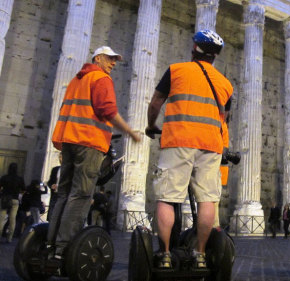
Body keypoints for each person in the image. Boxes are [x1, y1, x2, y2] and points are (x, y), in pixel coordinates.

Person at [145, 30, 232, 269]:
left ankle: (164, 255)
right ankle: (200, 254)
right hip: (211, 146)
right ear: (215, 56)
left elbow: (155, 104)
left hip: (178, 141)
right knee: (207, 200)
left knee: (167, 197)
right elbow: (224, 119)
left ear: (195, 48)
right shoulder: (225, 84)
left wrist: (152, 125)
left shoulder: (176, 71)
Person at [47, 46, 141, 260]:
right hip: (88, 142)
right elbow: (107, 110)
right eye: (110, 59)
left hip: (69, 140)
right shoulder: (100, 79)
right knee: (81, 195)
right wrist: (129, 131)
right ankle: (65, 249)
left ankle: (51, 244)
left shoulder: (76, 81)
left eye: (115, 60)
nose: (113, 63)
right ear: (97, 58)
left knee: (64, 194)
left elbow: (66, 110)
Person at [0, 163, 25, 243]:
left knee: (1, 218)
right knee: (12, 219)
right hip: (15, 199)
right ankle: (9, 238)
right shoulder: (19, 179)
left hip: (5, 199)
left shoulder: (4, 178)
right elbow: (23, 189)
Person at [46, 153, 62, 222]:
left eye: (62, 157)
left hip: (63, 195)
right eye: (59, 157)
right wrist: (51, 185)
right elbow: (49, 182)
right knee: (51, 215)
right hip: (54, 195)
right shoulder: (55, 169)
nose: (60, 159)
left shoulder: (70, 170)